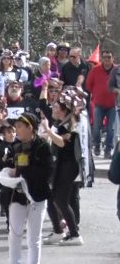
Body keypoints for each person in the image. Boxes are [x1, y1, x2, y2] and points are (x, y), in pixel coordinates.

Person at [1, 113, 54, 264]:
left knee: (34, 238)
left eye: (20, 126)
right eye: (16, 126)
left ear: (30, 127)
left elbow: (48, 172)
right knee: (14, 235)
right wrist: (10, 172)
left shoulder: (43, 147)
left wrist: (26, 171)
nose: (17, 130)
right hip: (18, 195)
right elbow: (12, 167)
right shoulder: (15, 147)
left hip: (37, 196)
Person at [40, 92, 84, 246]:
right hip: (61, 164)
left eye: (56, 106)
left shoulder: (70, 124)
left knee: (61, 200)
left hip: (69, 166)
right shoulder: (63, 123)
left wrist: (47, 130)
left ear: (64, 110)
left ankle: (75, 234)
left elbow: (62, 143)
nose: (53, 108)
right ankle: (58, 231)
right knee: (52, 198)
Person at [86, 50, 116, 159]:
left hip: (113, 105)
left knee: (111, 128)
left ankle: (108, 150)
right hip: (98, 104)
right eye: (105, 57)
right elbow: (88, 86)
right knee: (97, 127)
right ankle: (97, 146)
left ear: (113, 58)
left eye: (109, 57)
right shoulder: (95, 70)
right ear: (101, 59)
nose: (107, 59)